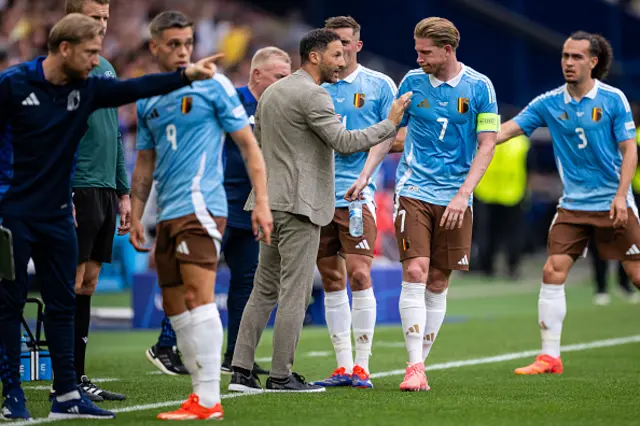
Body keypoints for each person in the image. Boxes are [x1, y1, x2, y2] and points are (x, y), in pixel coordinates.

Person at [0, 13, 222, 420]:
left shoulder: (86, 90)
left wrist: (186, 75)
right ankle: (11, 394)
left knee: (63, 303)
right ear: (64, 49)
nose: (95, 61)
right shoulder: (13, 84)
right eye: (89, 53)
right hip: (12, 213)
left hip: (57, 215)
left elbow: (134, 88)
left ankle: (66, 394)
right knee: (9, 304)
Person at [228, 28, 411, 393]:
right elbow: (345, 143)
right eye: (335, 55)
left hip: (270, 201)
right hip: (301, 206)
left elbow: (261, 147)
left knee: (262, 290)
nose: (342, 62)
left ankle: (240, 372)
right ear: (315, 56)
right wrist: (390, 122)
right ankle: (281, 375)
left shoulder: (271, 94)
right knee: (294, 292)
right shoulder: (315, 96)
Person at [128, 11, 272, 420]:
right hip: (168, 212)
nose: (182, 52)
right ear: (153, 46)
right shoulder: (150, 96)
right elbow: (145, 162)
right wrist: (138, 214)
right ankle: (199, 396)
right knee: (174, 306)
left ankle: (208, 398)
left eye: (187, 43)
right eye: (172, 44)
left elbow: (249, 146)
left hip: (203, 205)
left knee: (198, 296)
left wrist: (261, 202)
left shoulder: (213, 85)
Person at [496, 31, 640, 375]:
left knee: (636, 275)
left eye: (576, 57)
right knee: (552, 270)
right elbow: (504, 132)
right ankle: (550, 357)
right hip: (573, 205)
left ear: (593, 61)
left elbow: (629, 150)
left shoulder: (613, 99)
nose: (568, 63)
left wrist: (621, 196)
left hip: (612, 202)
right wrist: (471, 134)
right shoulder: (548, 103)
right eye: (564, 56)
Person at [394, 17, 498, 392]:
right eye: (416, 50)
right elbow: (389, 130)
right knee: (416, 272)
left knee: (438, 280)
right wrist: (365, 173)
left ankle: (420, 364)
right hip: (414, 190)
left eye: (425, 52)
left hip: (456, 196)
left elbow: (487, 143)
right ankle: (414, 366)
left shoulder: (480, 87)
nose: (418, 58)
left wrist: (463, 194)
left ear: (447, 50)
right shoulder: (410, 82)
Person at [312, 16, 398, 389]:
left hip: (358, 195)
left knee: (360, 273)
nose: (341, 50)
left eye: (347, 43)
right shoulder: (312, 86)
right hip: (316, 197)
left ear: (358, 46)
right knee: (331, 277)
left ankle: (363, 365)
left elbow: (398, 132)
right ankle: (342, 366)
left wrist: (357, 146)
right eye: (335, 44)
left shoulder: (378, 85)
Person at [65, 0, 128, 402]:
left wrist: (123, 192)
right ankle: (65, 380)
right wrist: (62, 189)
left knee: (88, 283)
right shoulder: (63, 69)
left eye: (105, 18)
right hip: (79, 187)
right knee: (71, 282)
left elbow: (117, 134)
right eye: (94, 17)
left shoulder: (106, 68)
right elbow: (57, 136)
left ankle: (79, 376)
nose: (101, 24)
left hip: (105, 188)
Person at [220, 47, 292, 376]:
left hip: (253, 206)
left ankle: (235, 355)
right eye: (279, 77)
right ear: (257, 74)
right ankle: (168, 344)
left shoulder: (279, 109)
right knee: (198, 277)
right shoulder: (229, 100)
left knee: (247, 283)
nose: (284, 84)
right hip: (219, 200)